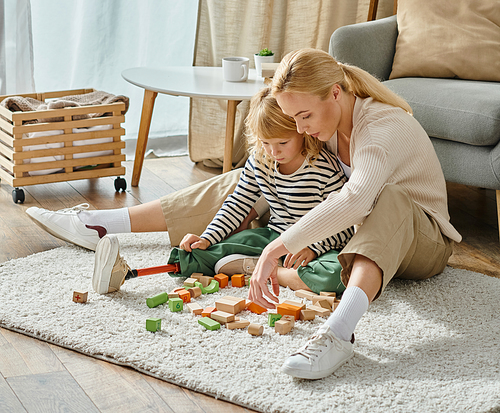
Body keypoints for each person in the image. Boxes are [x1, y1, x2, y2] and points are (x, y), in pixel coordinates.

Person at [245, 48, 461, 380]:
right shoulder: (327, 127)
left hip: (425, 244)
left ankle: (338, 333)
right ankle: (134, 222)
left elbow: (357, 199)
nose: (301, 129)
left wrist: (276, 248)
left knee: (391, 197)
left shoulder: (378, 130)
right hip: (371, 246)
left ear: (335, 93)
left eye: (305, 116)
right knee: (263, 163)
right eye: (295, 119)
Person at [91, 85, 354, 295]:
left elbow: (341, 224)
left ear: (302, 133)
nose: (274, 152)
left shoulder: (323, 170)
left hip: (313, 244)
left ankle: (269, 271)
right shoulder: (261, 161)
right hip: (272, 237)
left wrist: (314, 248)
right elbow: (238, 203)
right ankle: (128, 273)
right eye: (265, 143)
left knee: (337, 273)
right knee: (199, 252)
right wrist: (207, 237)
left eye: (282, 143)